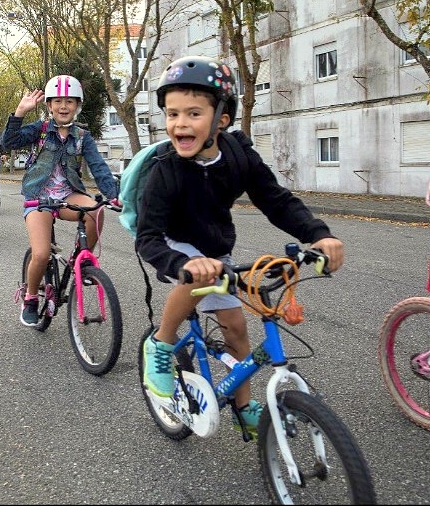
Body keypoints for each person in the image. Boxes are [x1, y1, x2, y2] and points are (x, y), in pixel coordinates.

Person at [136, 56, 345, 435]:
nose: (179, 123)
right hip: (172, 242)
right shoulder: (164, 169)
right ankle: (162, 346)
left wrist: (318, 234)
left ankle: (244, 406)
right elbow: (147, 237)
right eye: (171, 114)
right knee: (196, 274)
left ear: (223, 119)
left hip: (215, 249)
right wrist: (180, 262)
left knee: (236, 329)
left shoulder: (238, 155)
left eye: (193, 114)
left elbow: (276, 200)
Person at [1, 75, 119, 327]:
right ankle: (31, 297)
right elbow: (8, 142)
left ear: (77, 105)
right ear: (49, 105)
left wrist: (114, 195)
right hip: (38, 198)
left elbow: (99, 167)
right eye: (58, 101)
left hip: (67, 195)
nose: (63, 106)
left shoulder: (82, 136)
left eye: (69, 101)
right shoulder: (40, 130)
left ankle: (82, 259)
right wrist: (20, 112)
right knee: (41, 254)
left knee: (95, 211)